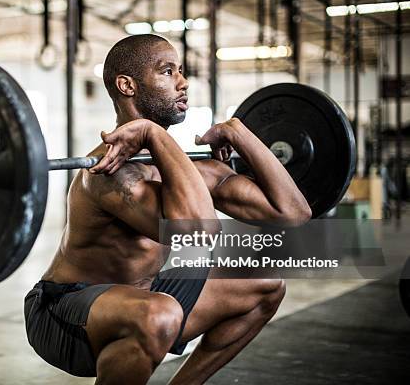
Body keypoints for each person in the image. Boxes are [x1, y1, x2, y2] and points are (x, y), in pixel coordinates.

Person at [24, 34, 311, 384]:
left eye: (181, 71)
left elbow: (293, 213)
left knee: (264, 285)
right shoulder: (108, 172)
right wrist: (152, 133)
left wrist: (240, 133)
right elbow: (199, 233)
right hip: (65, 314)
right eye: (167, 71)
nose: (183, 82)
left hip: (146, 296)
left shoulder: (190, 168)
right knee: (160, 313)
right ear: (127, 85)